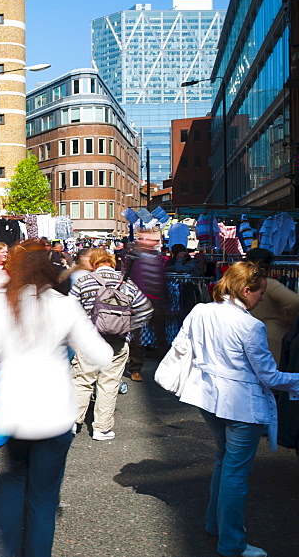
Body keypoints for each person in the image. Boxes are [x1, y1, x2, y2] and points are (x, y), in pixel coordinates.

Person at [0, 240, 111, 557]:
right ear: (49, 267)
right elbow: (102, 354)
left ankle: (7, 550)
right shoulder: (64, 306)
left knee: (15, 484)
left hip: (13, 415)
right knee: (44, 499)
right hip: (55, 416)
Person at [175, 261, 299, 557]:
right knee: (235, 473)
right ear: (246, 290)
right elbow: (269, 377)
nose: (260, 299)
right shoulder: (251, 326)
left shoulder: (202, 310)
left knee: (224, 462)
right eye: (260, 293)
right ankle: (231, 543)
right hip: (241, 406)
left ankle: (214, 525)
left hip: (208, 399)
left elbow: (183, 346)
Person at [69, 249, 153, 440]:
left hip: (88, 339)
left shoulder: (84, 281)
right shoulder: (127, 283)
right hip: (117, 341)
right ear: (111, 263)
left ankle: (73, 423)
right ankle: (101, 428)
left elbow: (70, 308)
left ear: (93, 264)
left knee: (82, 380)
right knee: (109, 382)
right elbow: (145, 309)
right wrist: (128, 327)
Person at [245, 248, 299, 365]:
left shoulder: (240, 282)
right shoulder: (268, 284)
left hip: (247, 335)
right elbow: (295, 301)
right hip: (270, 336)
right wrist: (289, 320)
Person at [126, 226, 167, 382]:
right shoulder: (133, 256)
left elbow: (161, 278)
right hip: (138, 300)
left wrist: (165, 298)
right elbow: (126, 276)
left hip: (156, 300)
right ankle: (136, 369)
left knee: (160, 335)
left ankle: (164, 367)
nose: (151, 242)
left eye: (153, 240)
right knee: (136, 336)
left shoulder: (158, 256)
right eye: (148, 239)